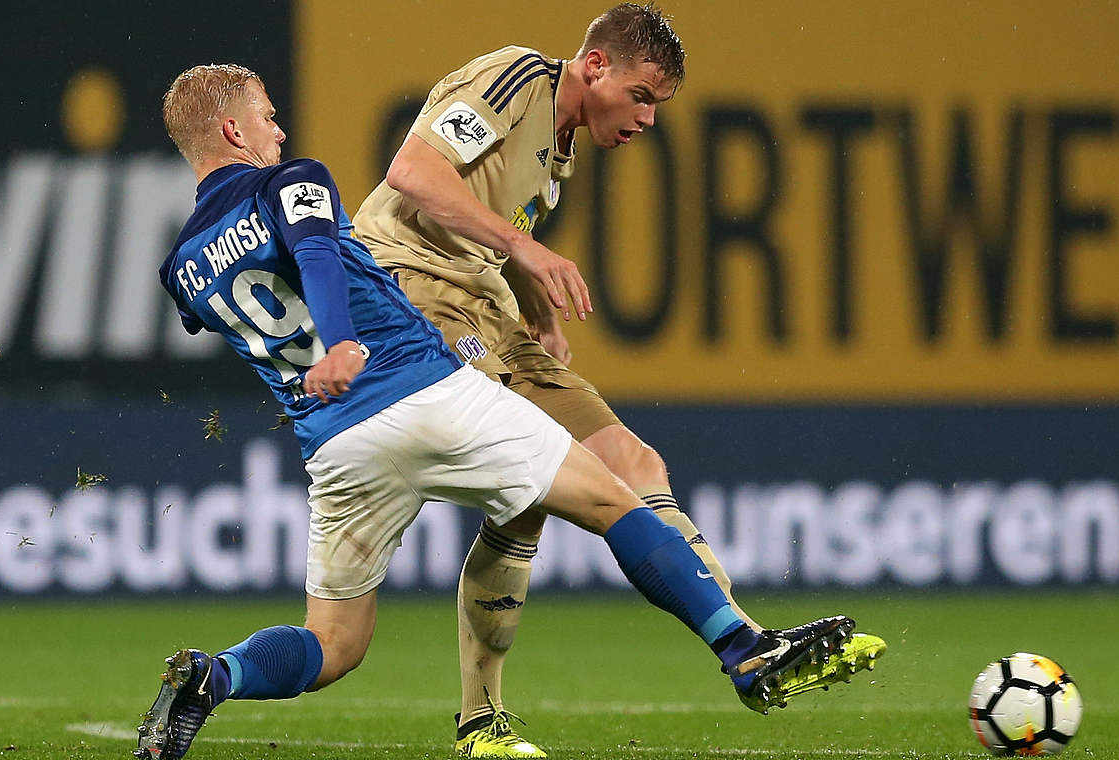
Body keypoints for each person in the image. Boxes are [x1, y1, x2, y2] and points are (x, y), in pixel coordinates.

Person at [136, 63, 878, 760]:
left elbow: (219, 312)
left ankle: (216, 676)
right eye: (267, 118)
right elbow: (320, 256)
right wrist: (343, 343)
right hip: (419, 390)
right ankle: (744, 652)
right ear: (234, 132)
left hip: (334, 444)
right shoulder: (292, 183)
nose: (281, 132)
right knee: (611, 499)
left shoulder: (180, 264)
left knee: (333, 644)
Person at [351, 4, 886, 755]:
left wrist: (538, 310)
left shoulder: (559, 149)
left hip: (488, 310)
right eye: (641, 96)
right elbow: (411, 173)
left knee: (631, 465)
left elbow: (493, 226)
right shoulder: (516, 77)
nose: (648, 119)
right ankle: (730, 648)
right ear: (596, 66)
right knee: (531, 480)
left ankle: (744, 640)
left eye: (658, 106)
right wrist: (523, 251)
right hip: (409, 294)